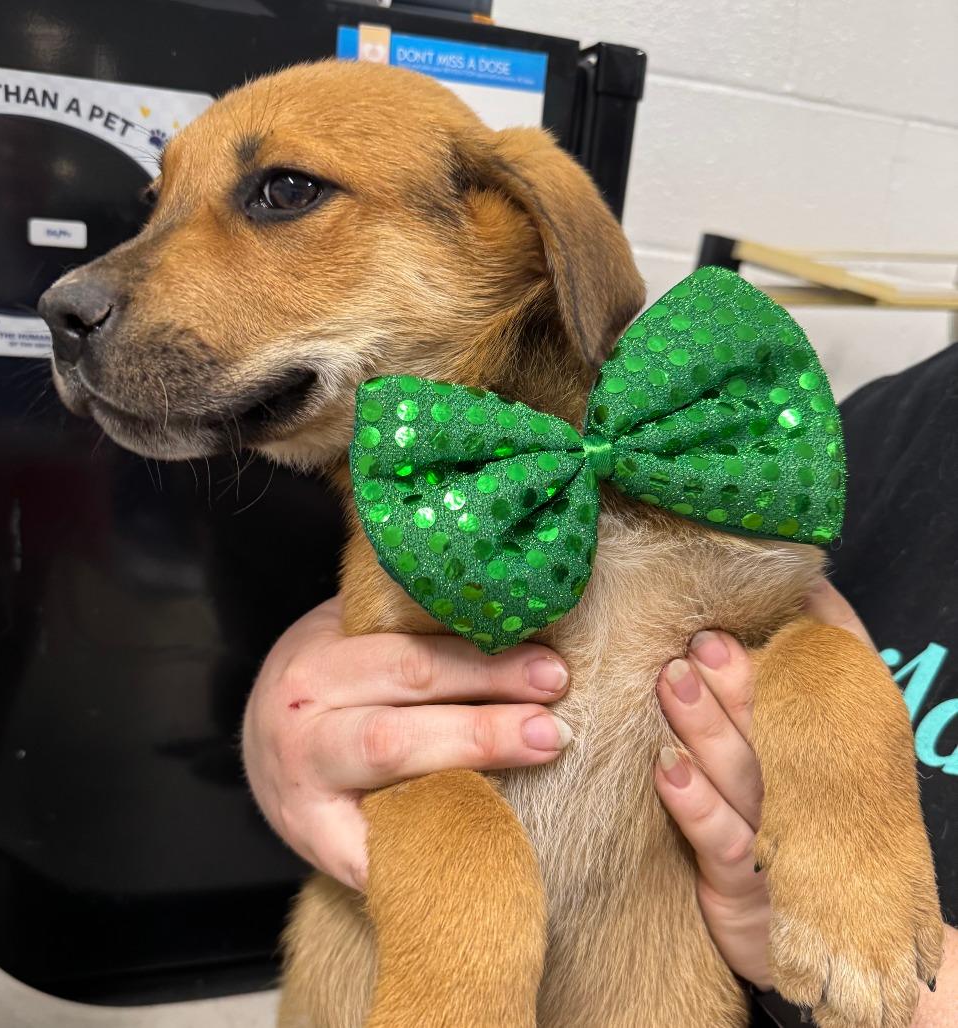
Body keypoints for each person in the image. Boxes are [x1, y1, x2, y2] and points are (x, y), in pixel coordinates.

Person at [243, 342, 958, 1025]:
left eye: (283, 203)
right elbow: (792, 616)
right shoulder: (890, 423)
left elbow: (801, 640)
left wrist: (924, 999)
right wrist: (299, 692)